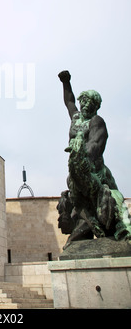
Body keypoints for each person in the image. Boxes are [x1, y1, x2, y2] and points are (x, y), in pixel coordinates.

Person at [58, 70, 131, 248]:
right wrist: (65, 82)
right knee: (76, 197)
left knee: (112, 199)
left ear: (95, 106)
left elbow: (96, 145)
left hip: (95, 171)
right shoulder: (75, 118)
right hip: (76, 168)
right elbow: (69, 102)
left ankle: (122, 227)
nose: (84, 104)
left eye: (89, 102)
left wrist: (83, 156)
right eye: (83, 100)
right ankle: (83, 226)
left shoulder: (97, 121)